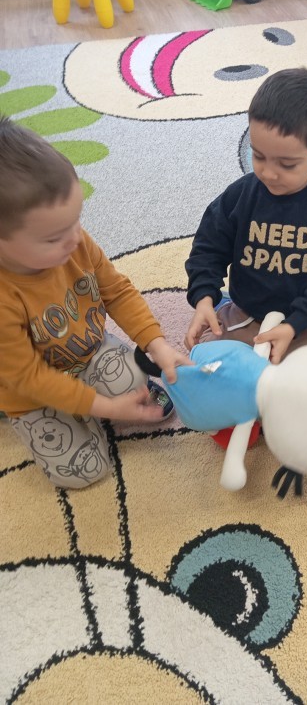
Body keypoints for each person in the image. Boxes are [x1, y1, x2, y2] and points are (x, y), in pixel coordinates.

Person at [0, 117, 191, 489]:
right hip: (29, 390)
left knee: (135, 381)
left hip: (86, 353)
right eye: (54, 237)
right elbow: (30, 377)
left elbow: (117, 291)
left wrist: (156, 344)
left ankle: (84, 407)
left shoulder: (74, 242)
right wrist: (104, 408)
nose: (75, 238)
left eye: (77, 221)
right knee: (86, 471)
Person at [184, 66, 307, 365]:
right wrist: (203, 298)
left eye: (287, 164)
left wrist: (295, 323)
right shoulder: (239, 197)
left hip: (304, 318)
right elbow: (208, 248)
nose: (268, 173)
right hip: (246, 312)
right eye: (258, 155)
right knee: (212, 367)